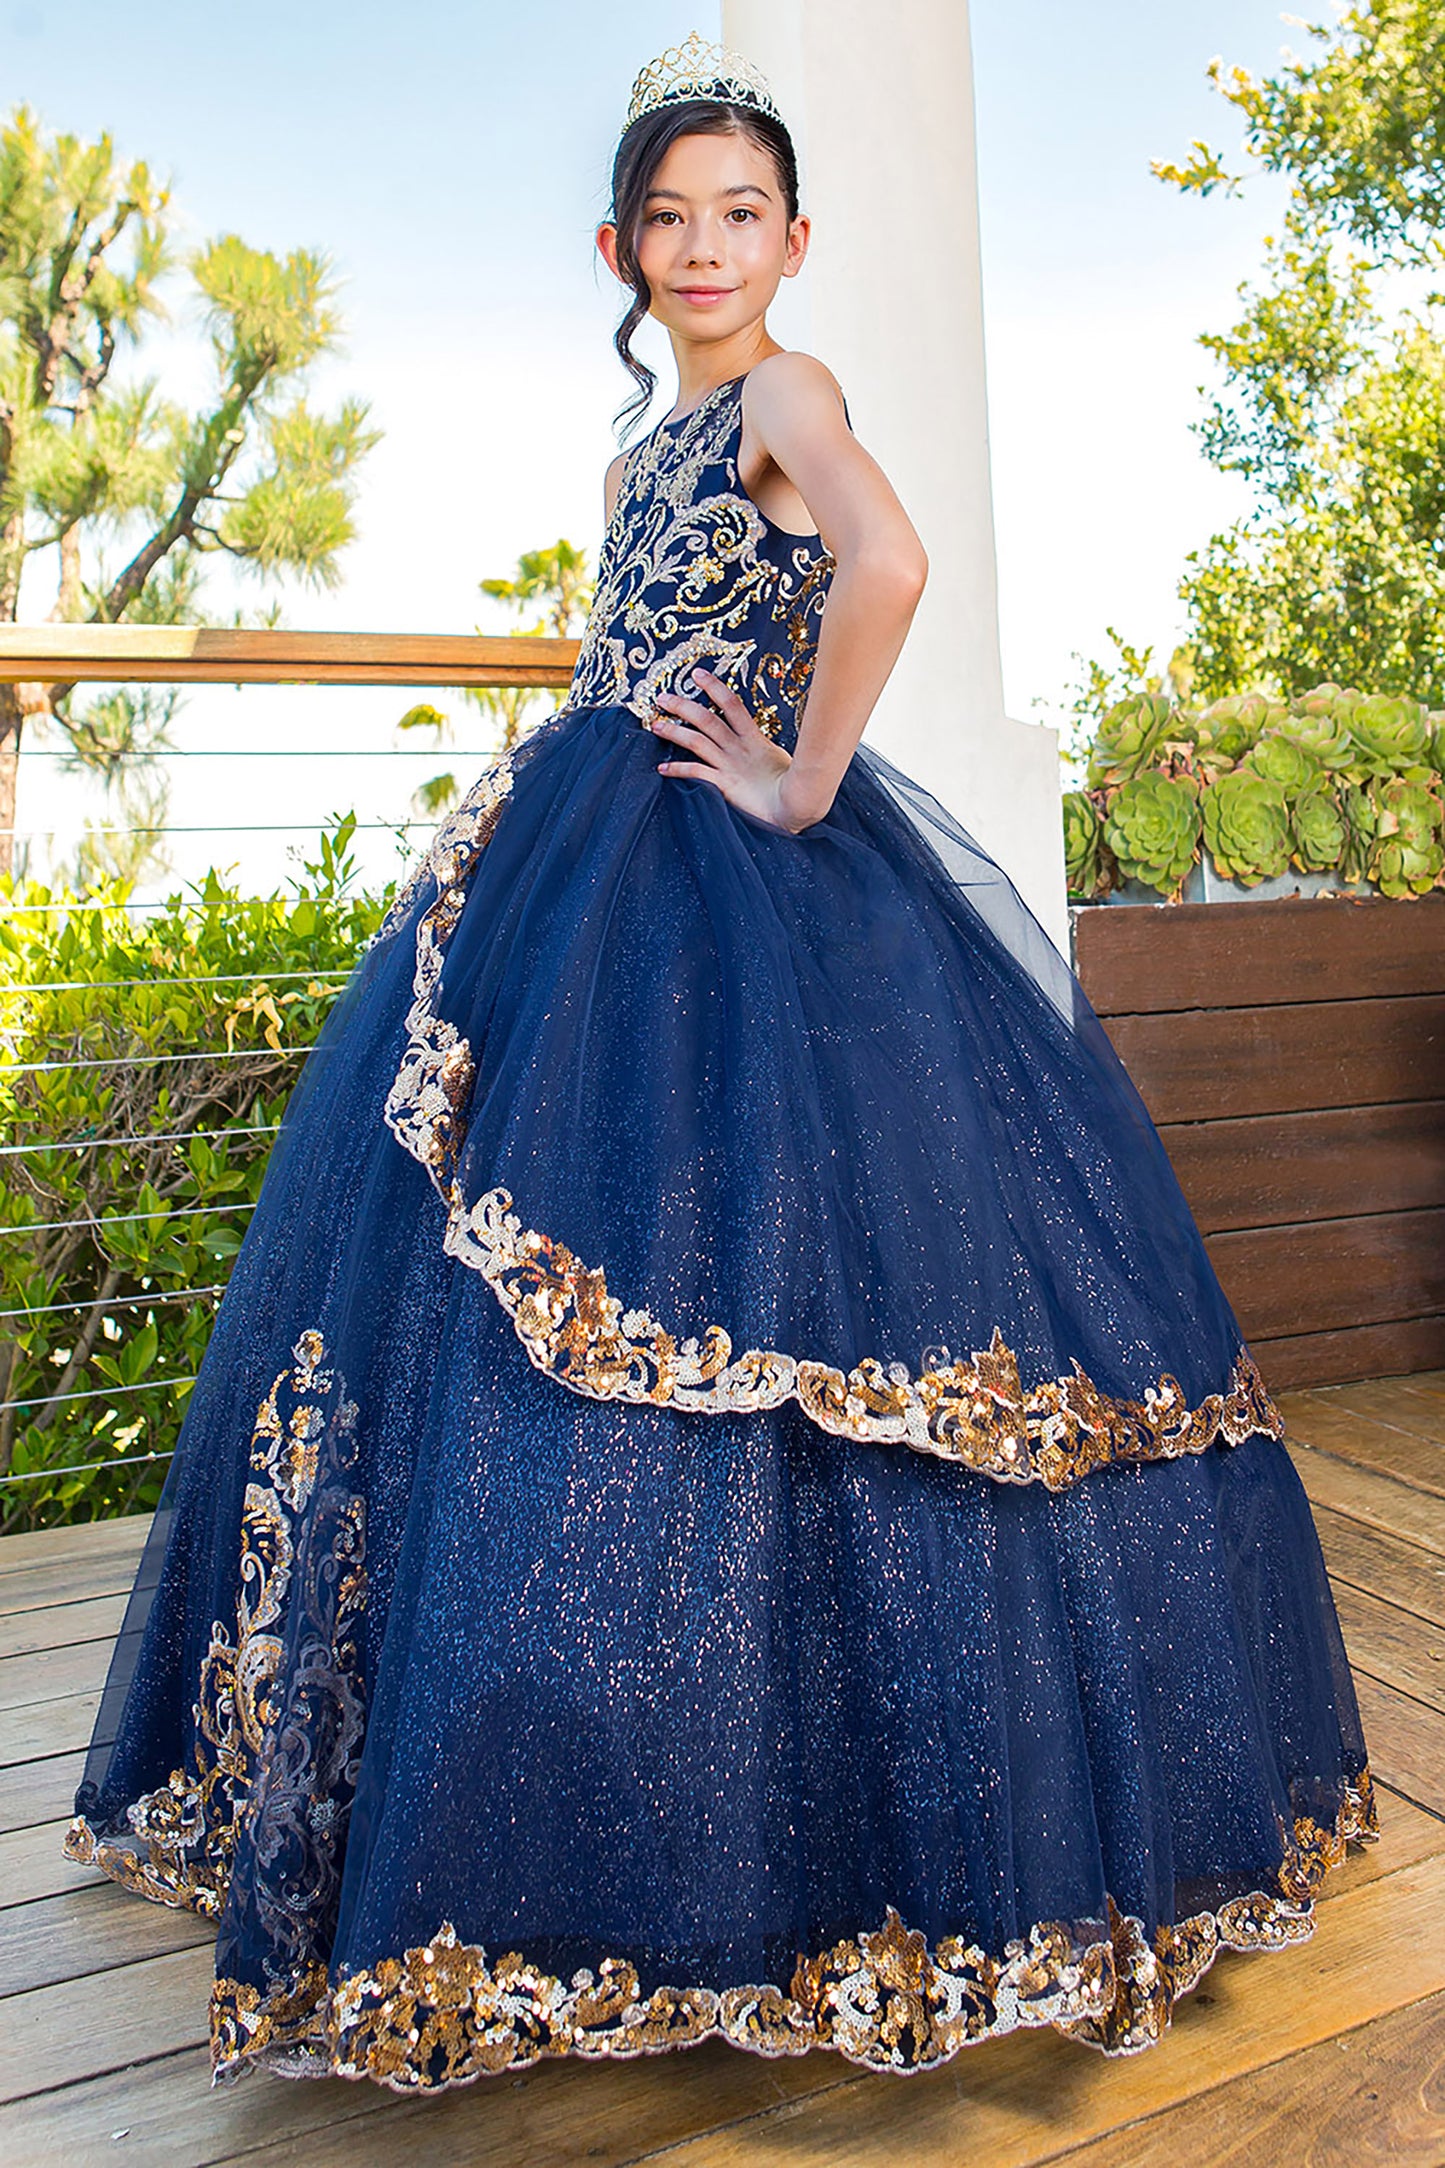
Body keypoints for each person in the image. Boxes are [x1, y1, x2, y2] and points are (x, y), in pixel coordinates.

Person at [67, 30, 1374, 2093]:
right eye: (667, 217)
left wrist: (803, 777)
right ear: (619, 242)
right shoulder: (632, 459)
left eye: (740, 212)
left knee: (788, 1317)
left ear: (790, 238)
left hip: (741, 889)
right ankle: (623, 1797)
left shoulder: (789, 391)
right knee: (578, 1320)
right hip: (590, 876)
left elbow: (893, 560)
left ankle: (803, 1839)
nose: (703, 245)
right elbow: (629, 643)